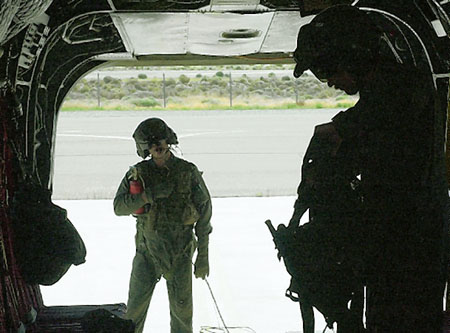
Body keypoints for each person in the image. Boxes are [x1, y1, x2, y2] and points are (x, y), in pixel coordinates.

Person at [291, 5, 448, 332]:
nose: (329, 82)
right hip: (403, 251)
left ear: (349, 56)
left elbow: (358, 139)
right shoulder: (392, 92)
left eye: (325, 71)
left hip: (407, 255)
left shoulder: (397, 96)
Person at [113, 118, 212, 333]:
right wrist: (147, 195)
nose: (157, 147)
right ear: (144, 148)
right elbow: (119, 207)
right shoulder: (137, 174)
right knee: (134, 311)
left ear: (169, 141)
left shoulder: (187, 172)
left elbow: (204, 215)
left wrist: (203, 256)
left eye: (160, 142)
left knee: (182, 315)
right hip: (146, 252)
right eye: (151, 144)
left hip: (180, 252)